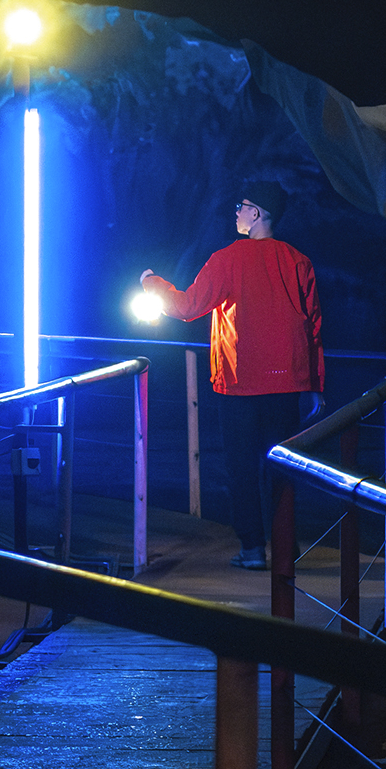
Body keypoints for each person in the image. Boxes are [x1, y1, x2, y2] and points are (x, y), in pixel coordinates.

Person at [139, 183, 323, 568]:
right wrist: (315, 385)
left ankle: (253, 550)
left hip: (239, 382)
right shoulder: (298, 261)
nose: (236, 212)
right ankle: (286, 548)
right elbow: (313, 328)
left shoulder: (227, 259)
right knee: (283, 468)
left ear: (256, 214)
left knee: (241, 467)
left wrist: (151, 283)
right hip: (287, 381)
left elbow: (189, 306)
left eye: (241, 207)